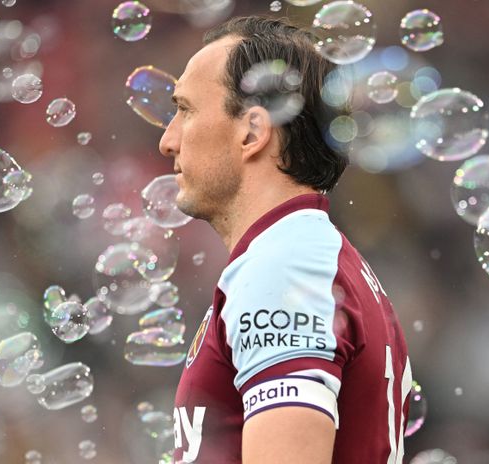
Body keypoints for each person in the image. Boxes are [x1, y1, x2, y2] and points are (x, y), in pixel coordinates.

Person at [158, 15, 412, 464]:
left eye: (185, 109)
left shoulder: (285, 266)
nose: (168, 140)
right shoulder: (306, 255)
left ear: (253, 132)